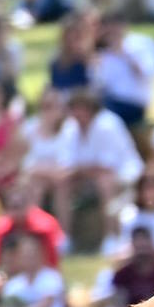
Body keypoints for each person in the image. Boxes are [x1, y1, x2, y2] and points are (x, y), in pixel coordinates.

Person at [50, 91, 141, 243]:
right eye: (75, 109)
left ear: (91, 109)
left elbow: (106, 167)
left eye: (82, 109)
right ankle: (64, 238)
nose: (78, 114)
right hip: (87, 178)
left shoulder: (108, 125)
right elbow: (66, 164)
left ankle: (111, 236)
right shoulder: (70, 127)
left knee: (105, 183)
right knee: (63, 185)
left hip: (124, 175)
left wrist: (77, 170)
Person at [93, 14, 154, 129]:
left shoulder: (141, 44)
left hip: (132, 103)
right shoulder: (103, 54)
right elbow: (100, 84)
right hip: (108, 100)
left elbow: (148, 74)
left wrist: (123, 54)